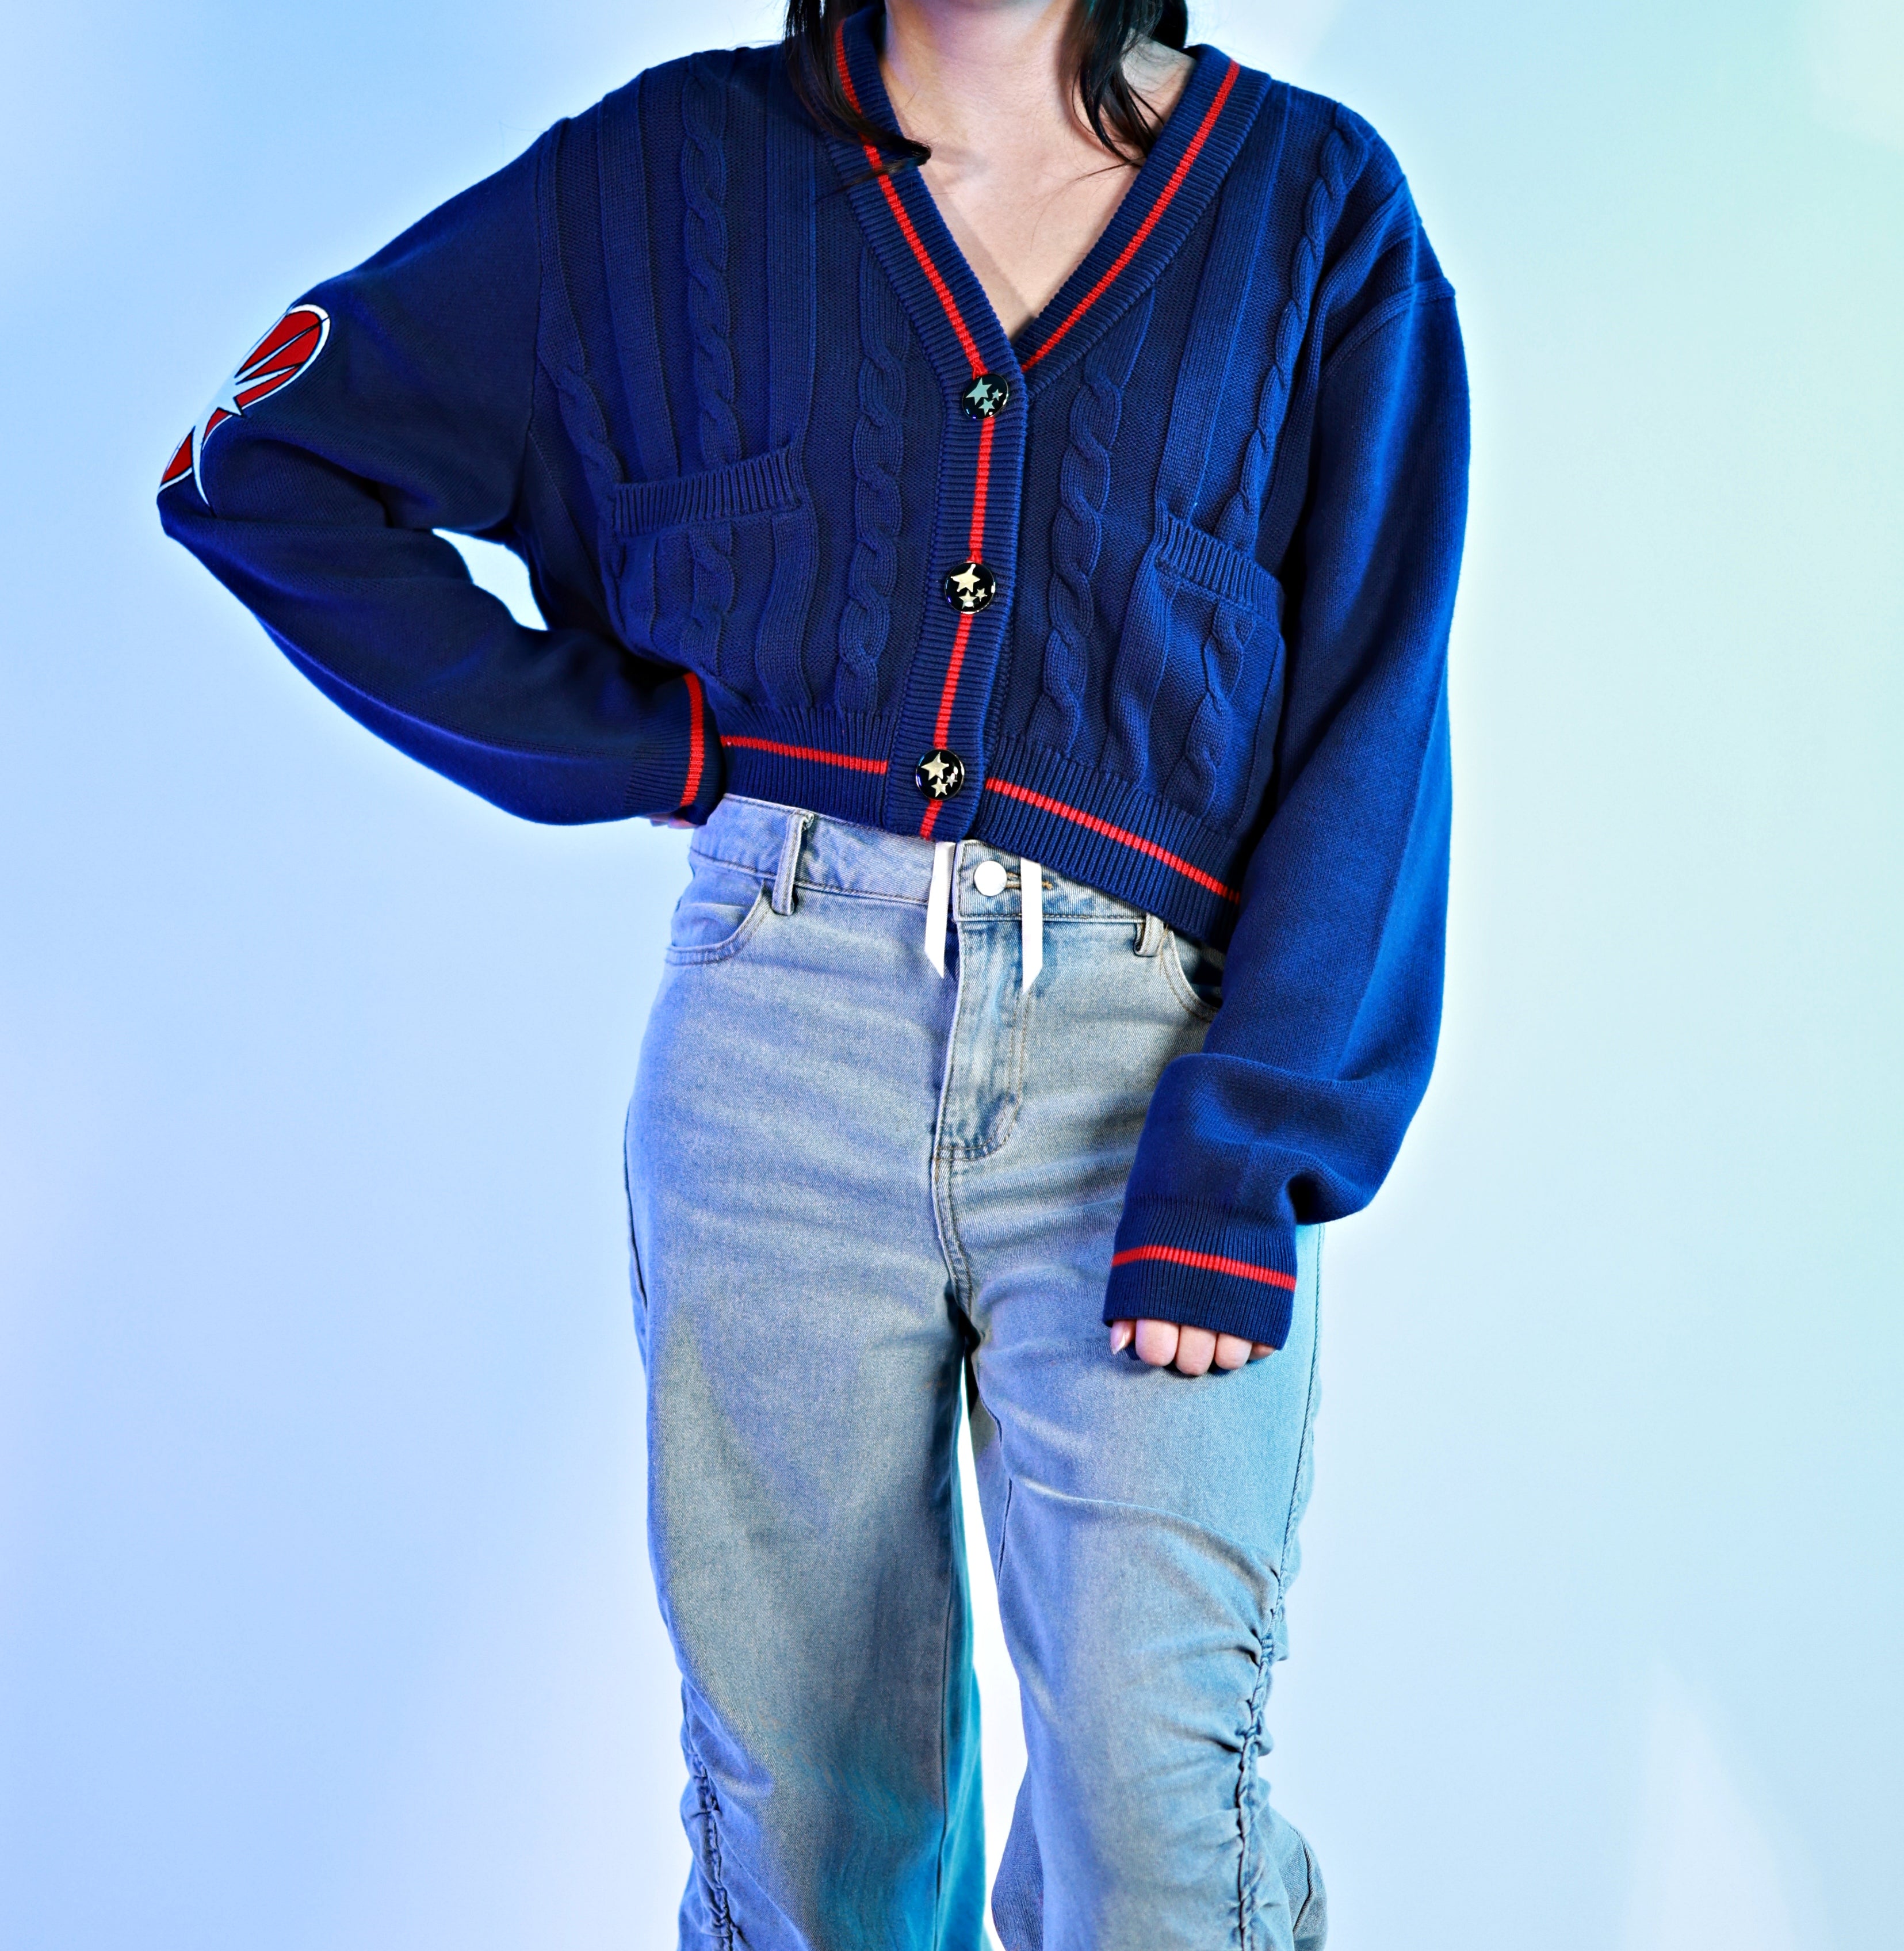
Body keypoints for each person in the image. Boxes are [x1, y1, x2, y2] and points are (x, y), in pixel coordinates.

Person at [158, 0, 1468, 1942]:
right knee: (806, 1837)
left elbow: (1377, 705)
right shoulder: (664, 172)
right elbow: (259, 467)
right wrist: (644, 744)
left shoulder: (1313, 206)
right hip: (779, 1042)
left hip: (1151, 1091)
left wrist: (1255, 1142)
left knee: (1156, 1823)